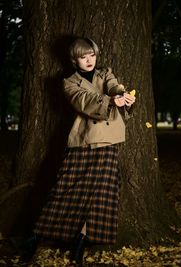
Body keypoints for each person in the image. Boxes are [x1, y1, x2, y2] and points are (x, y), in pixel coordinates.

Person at [33, 37, 135, 266]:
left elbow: (114, 85)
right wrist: (110, 101)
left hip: (108, 141)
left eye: (92, 55)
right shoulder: (69, 82)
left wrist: (121, 95)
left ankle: (81, 241)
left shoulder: (105, 73)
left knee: (102, 195)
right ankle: (36, 237)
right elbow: (84, 101)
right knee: (64, 190)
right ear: (74, 59)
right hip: (83, 141)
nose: (89, 61)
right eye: (83, 57)